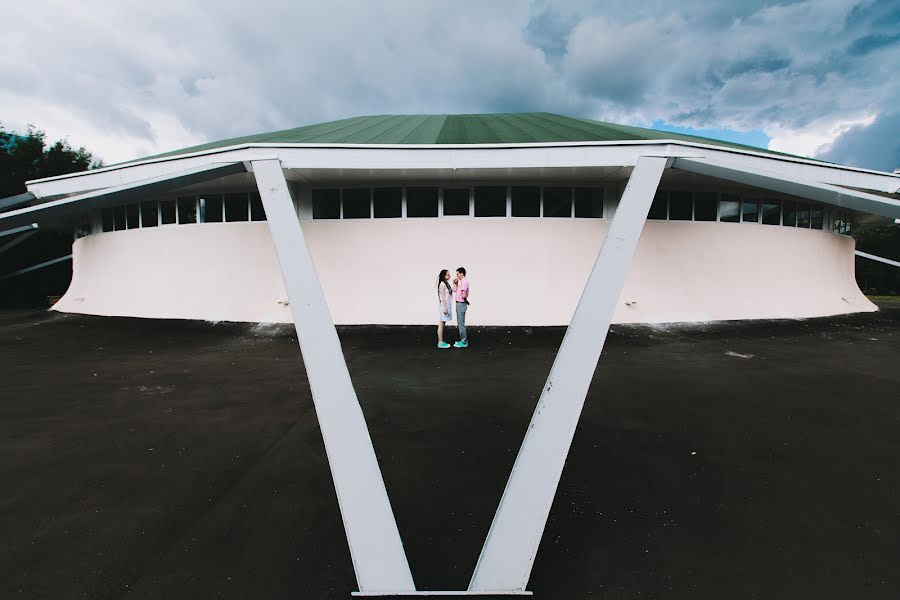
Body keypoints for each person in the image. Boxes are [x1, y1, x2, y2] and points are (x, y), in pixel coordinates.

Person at [436, 269, 454, 348]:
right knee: (441, 323)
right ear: (443, 275)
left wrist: (454, 283)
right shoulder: (442, 284)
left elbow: (453, 290)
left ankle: (441, 341)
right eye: (447, 275)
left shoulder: (446, 283)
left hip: (446, 306)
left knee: (443, 323)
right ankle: (440, 342)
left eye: (449, 274)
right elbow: (442, 297)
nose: (449, 276)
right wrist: (445, 308)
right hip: (444, 306)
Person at [452, 267, 470, 348]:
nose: (457, 276)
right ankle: (463, 340)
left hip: (461, 303)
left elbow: (463, 293)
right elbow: (456, 290)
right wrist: (455, 283)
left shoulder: (464, 282)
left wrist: (464, 299)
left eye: (457, 274)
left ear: (462, 273)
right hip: (460, 303)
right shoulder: (462, 281)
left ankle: (464, 342)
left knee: (461, 324)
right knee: (460, 323)